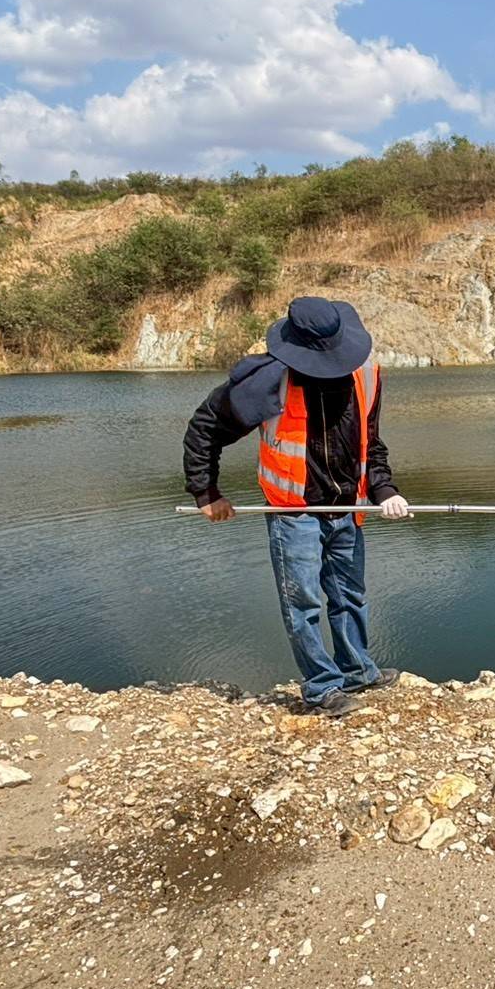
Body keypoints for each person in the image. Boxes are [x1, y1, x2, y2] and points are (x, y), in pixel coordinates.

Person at [183, 296, 410, 717]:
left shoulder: (366, 374)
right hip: (293, 513)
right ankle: (323, 687)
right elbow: (205, 428)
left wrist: (384, 491)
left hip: (346, 508)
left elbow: (371, 445)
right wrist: (206, 493)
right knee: (302, 601)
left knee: (350, 595)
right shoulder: (267, 379)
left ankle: (358, 670)